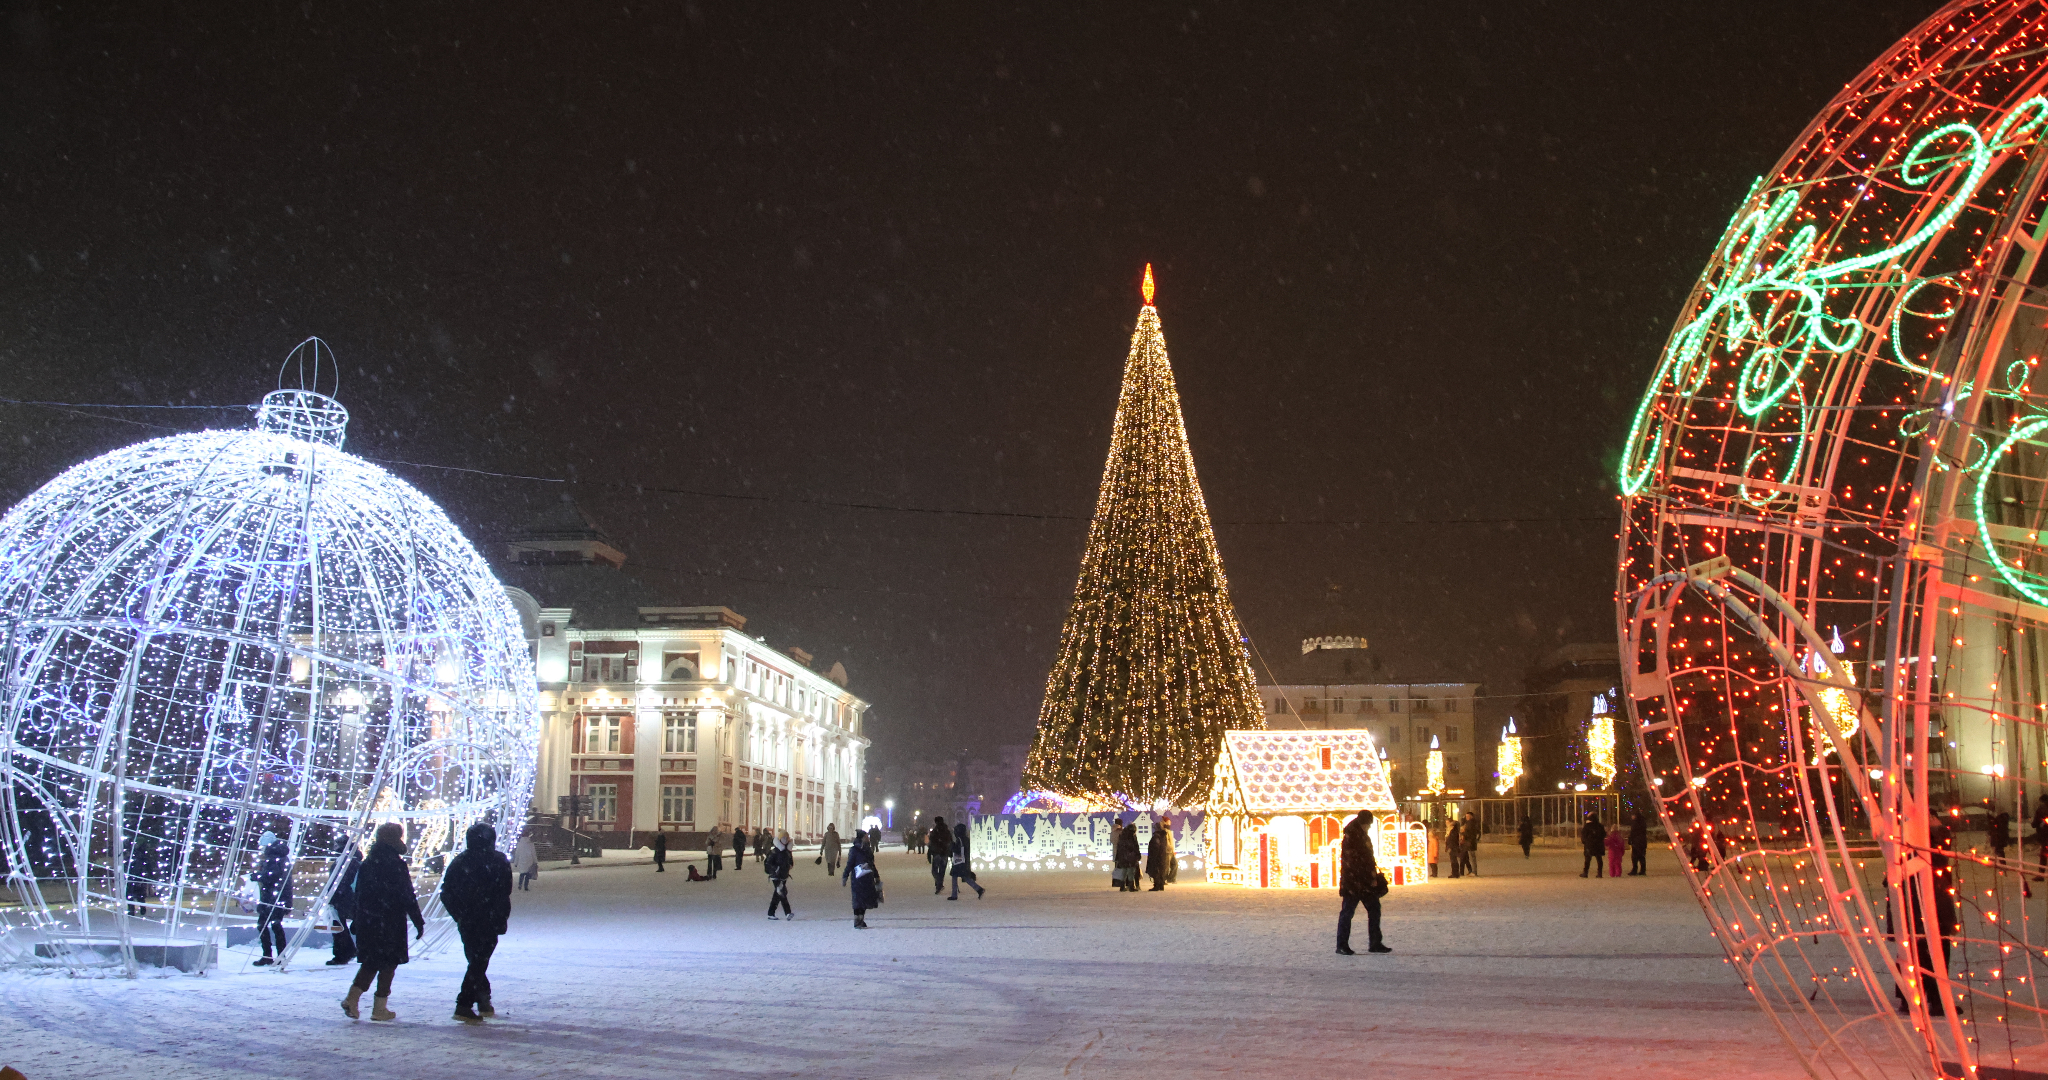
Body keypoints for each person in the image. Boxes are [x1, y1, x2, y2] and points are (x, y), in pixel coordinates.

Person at [341, 822, 425, 1022]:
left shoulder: (369, 863)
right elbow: (407, 895)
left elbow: (359, 893)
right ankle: (379, 1007)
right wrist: (417, 920)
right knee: (388, 963)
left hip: (370, 920)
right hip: (390, 921)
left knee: (371, 962)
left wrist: (358, 917)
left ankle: (353, 998)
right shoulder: (395, 864)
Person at [440, 822, 512, 1022]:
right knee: (479, 962)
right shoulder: (498, 861)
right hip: (488, 918)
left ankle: (482, 999)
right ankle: (465, 1003)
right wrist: (498, 912)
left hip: (470, 919)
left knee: (476, 960)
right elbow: (504, 891)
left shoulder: (461, 862)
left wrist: (460, 913)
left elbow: (447, 893)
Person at [1336, 811, 1390, 955]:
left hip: (1361, 882)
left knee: (1372, 910)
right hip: (1354, 883)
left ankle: (1374, 942)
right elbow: (1355, 861)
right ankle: (1342, 944)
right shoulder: (1353, 837)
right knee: (1348, 912)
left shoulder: (1358, 834)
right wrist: (1368, 876)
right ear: (1363, 823)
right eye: (1369, 824)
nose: (1369, 827)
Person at [252, 830, 293, 967]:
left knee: (265, 925)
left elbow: (271, 877)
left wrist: (257, 876)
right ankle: (279, 955)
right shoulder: (282, 857)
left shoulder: (273, 858)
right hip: (278, 897)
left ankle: (269, 955)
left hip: (272, 898)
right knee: (274, 926)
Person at [326, 839, 362, 965]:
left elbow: (342, 881)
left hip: (344, 897)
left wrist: (334, 895)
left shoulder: (346, 861)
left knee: (338, 925)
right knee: (341, 925)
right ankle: (349, 951)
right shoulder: (350, 860)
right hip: (346, 896)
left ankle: (344, 952)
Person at [842, 830, 883, 928]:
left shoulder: (868, 850)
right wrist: (845, 876)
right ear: (861, 838)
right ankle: (857, 920)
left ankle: (861, 919)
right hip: (857, 879)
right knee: (857, 900)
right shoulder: (854, 850)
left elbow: (872, 864)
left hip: (867, 878)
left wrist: (876, 876)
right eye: (866, 836)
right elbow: (850, 864)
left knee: (865, 899)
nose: (868, 838)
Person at [949, 821, 985, 900]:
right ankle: (979, 889)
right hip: (964, 861)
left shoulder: (960, 839)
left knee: (955, 876)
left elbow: (958, 851)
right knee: (965, 877)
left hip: (959, 861)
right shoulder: (965, 839)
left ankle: (954, 894)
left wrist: (952, 846)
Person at [765, 830, 794, 920]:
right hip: (776, 876)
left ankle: (771, 913)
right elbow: (768, 863)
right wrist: (775, 868)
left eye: (786, 838)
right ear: (780, 839)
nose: (785, 840)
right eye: (783, 838)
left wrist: (790, 865)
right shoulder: (775, 851)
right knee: (782, 893)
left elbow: (790, 861)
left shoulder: (787, 851)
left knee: (778, 894)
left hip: (784, 876)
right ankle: (788, 913)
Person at [927, 816, 952, 894]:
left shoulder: (935, 831)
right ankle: (939, 884)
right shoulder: (947, 831)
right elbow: (950, 842)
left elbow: (931, 843)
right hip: (945, 853)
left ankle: (939, 884)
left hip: (937, 853)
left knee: (934, 870)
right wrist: (950, 852)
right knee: (942, 871)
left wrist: (929, 853)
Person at [1115, 822, 1141, 892]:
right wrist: (1138, 855)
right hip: (1131, 857)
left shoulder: (1122, 836)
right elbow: (1135, 847)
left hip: (1123, 857)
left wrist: (1118, 857)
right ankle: (1131, 886)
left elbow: (1119, 847)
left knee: (1124, 871)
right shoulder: (1132, 837)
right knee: (1131, 872)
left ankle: (1122, 886)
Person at [1145, 821, 1169, 892]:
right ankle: (1161, 884)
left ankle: (1157, 885)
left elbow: (1155, 847)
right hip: (1162, 856)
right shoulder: (1163, 836)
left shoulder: (1156, 837)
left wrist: (1153, 856)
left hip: (1156, 856)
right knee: (1161, 870)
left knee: (1156, 870)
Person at [1627, 811, 1650, 876]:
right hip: (1642, 842)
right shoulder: (1643, 822)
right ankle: (1642, 870)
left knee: (1635, 857)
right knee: (1641, 856)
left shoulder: (1635, 823)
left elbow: (1633, 832)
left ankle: (1635, 869)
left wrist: (1630, 839)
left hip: (1636, 842)